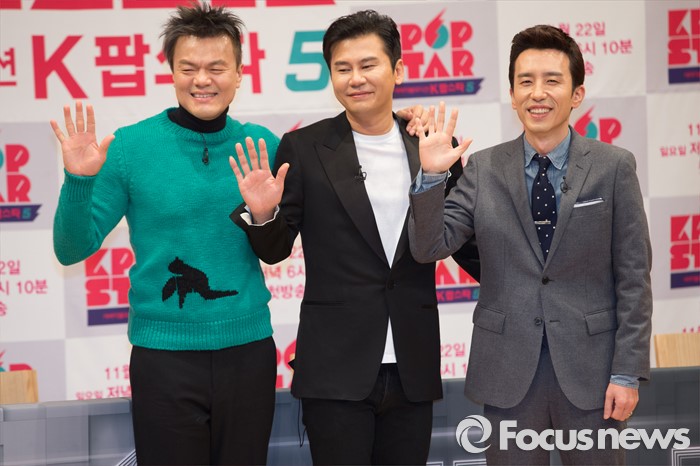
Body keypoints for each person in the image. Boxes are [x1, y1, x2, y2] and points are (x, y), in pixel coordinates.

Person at [229, 9, 480, 465]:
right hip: (334, 367)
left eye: (368, 65)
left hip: (413, 363)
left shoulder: (430, 145)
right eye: (342, 68)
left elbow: (462, 243)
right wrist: (263, 214)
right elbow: (275, 250)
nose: (355, 78)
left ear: (397, 70)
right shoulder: (304, 148)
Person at [408, 24, 652, 465]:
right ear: (512, 93)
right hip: (507, 372)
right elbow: (429, 247)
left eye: (552, 80)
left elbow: (634, 278)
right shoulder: (483, 168)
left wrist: (626, 372)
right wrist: (431, 178)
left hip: (593, 373)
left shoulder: (614, 167)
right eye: (526, 82)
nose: (538, 93)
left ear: (577, 94)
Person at [50, 4, 281, 465]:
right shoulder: (130, 147)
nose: (202, 80)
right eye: (188, 68)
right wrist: (78, 181)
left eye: (217, 68)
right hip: (163, 357)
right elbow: (71, 248)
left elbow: (278, 249)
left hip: (248, 352)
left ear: (240, 74)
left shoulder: (263, 146)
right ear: (171, 73)